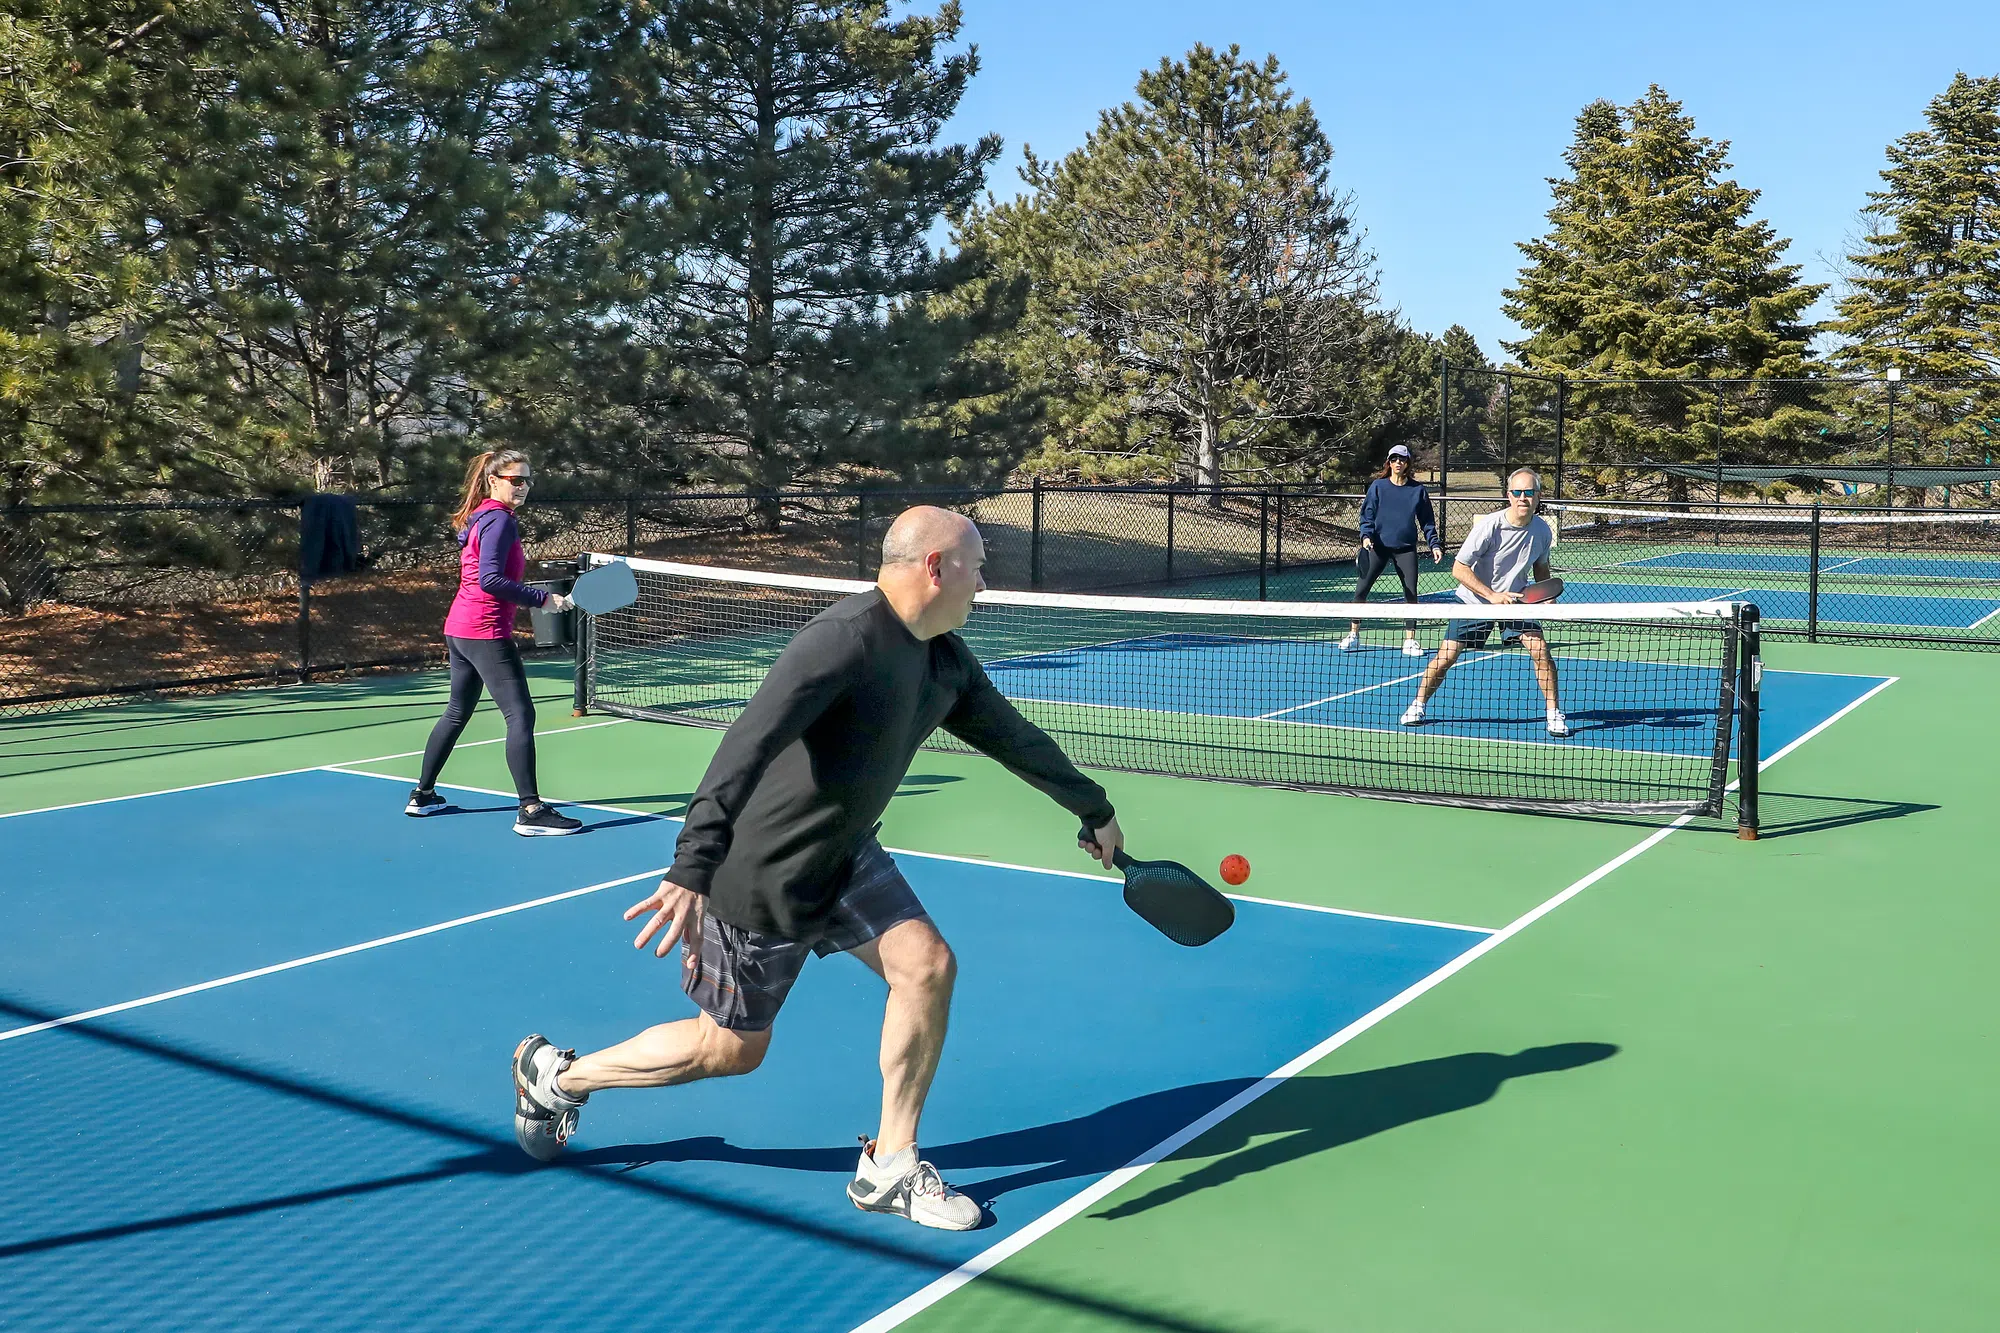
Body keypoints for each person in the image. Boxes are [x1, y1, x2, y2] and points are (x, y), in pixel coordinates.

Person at [508, 505, 1126, 1230]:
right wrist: (691, 865)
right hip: (766, 868)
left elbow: (1012, 737)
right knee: (731, 1049)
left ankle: (890, 1163)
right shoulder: (841, 642)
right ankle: (557, 1076)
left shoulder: (943, 658)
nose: (984, 583)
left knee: (926, 965)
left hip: (846, 850)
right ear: (935, 567)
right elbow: (746, 744)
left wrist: (1093, 805)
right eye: (977, 566)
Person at [405, 450, 583, 835]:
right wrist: (541, 599)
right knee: (520, 715)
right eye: (515, 480)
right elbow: (490, 580)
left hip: (460, 628)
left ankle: (422, 795)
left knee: (456, 712)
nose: (522, 487)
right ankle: (530, 810)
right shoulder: (499, 521)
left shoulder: (482, 516)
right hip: (483, 631)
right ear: (494, 481)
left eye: (527, 480)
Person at [1400, 467, 1570, 738]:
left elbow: (1541, 567)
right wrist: (1491, 596)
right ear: (1508, 495)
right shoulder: (1489, 526)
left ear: (1538, 496)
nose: (1522, 498)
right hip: (1475, 601)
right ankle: (1417, 705)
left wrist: (1543, 596)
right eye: (1517, 492)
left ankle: (1554, 715)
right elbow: (1459, 568)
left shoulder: (1542, 531)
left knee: (1539, 650)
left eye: (1529, 492)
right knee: (1446, 657)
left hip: (1516, 601)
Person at [1341, 443, 1442, 657]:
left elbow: (1427, 521)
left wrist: (1434, 544)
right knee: (1361, 590)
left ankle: (1410, 641)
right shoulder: (1378, 487)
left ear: (1407, 463)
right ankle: (1353, 635)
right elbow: (1367, 515)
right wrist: (1366, 536)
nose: (1398, 463)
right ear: (1389, 462)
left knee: (1410, 593)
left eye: (1402, 459)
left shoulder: (1418, 491)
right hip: (1377, 547)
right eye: (1394, 459)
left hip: (1405, 549)